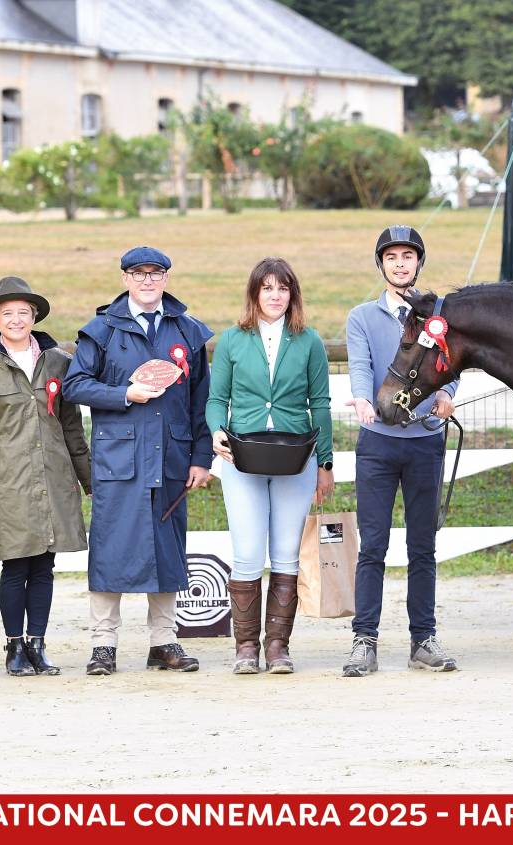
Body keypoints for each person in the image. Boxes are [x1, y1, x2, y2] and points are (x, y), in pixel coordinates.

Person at [63, 246, 213, 675]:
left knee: (168, 551)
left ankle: (164, 642)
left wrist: (201, 457)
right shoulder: (102, 331)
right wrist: (123, 395)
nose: (148, 281)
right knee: (111, 551)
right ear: (125, 278)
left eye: (156, 273)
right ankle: (103, 645)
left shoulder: (187, 331)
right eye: (138, 273)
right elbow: (75, 386)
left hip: (170, 457)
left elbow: (202, 400)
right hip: (119, 461)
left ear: (166, 278)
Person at [0, 276, 92, 676]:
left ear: (34, 316)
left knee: (44, 566)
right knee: (16, 566)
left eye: (23, 312)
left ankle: (38, 643)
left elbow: (72, 429)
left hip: (52, 479)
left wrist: (89, 480)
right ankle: (14, 646)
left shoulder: (59, 364)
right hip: (6, 484)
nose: (16, 319)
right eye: (7, 313)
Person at [207, 257, 334, 674]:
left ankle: (278, 645)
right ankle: (246, 647)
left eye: (283, 288)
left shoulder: (309, 340)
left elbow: (321, 403)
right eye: (267, 288)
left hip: (295, 455)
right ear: (254, 294)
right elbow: (215, 399)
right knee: (245, 553)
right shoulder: (231, 340)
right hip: (243, 455)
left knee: (285, 555)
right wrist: (215, 431)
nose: (275, 295)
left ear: (292, 294)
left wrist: (325, 463)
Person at [341, 225, 458, 677]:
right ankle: (364, 639)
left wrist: (448, 393)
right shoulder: (362, 317)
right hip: (378, 445)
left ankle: (422, 639)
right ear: (382, 265)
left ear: (418, 263)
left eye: (408, 256)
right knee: (373, 545)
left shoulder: (438, 315)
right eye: (392, 257)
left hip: (426, 441)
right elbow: (360, 365)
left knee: (422, 546)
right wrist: (363, 400)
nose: (400, 263)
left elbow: (451, 362)